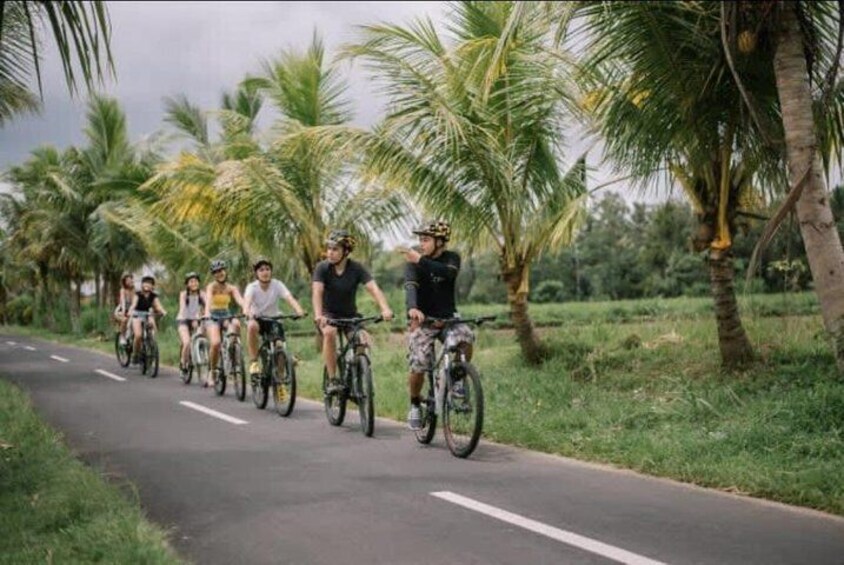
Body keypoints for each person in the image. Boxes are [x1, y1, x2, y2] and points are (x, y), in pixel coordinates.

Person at [399, 220, 473, 430]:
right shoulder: (413, 261)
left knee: (466, 337)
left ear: (440, 242)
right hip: (424, 321)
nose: (421, 244)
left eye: (426, 239)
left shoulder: (452, 258)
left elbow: (448, 274)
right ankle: (414, 404)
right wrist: (413, 308)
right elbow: (411, 285)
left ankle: (457, 379)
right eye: (420, 240)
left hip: (448, 318)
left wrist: (420, 260)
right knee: (419, 363)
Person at [312, 229, 393, 392]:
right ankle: (333, 379)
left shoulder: (356, 268)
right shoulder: (322, 268)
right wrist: (318, 315)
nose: (330, 252)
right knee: (330, 333)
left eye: (335, 249)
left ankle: (356, 371)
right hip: (328, 315)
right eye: (329, 248)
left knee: (363, 341)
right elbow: (317, 292)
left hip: (350, 316)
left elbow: (374, 289)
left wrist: (385, 309)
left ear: (346, 251)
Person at [244, 257, 306, 378]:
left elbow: (290, 298)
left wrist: (299, 310)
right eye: (261, 270)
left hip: (274, 320)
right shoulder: (252, 287)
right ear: (256, 273)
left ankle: (280, 380)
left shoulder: (277, 284)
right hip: (258, 319)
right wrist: (247, 312)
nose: (265, 272)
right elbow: (247, 302)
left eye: (267, 269)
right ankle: (254, 362)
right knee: (251, 326)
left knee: (279, 347)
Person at [203, 259, 247, 387]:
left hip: (226, 315)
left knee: (237, 324)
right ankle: (212, 371)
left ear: (225, 271)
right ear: (213, 274)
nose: (219, 273)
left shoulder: (231, 288)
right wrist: (206, 313)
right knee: (216, 343)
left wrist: (247, 309)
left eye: (221, 270)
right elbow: (209, 300)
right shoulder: (211, 287)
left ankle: (234, 356)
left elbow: (240, 300)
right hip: (213, 317)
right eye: (216, 272)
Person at [126, 275, 167, 365]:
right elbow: (134, 304)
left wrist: (163, 311)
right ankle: (135, 354)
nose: (147, 285)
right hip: (137, 314)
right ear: (142, 284)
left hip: (147, 314)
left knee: (153, 326)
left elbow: (158, 305)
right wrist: (130, 311)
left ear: (152, 286)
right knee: (138, 336)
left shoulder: (153, 296)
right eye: (145, 282)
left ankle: (151, 343)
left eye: (150, 283)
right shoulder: (138, 294)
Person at [176, 272, 206, 378]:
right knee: (187, 342)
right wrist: (190, 316)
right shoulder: (184, 294)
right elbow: (183, 307)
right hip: (183, 320)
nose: (194, 283)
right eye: (191, 281)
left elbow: (207, 306)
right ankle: (183, 364)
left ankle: (200, 351)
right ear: (187, 284)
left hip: (196, 320)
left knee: (203, 333)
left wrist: (203, 315)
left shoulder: (202, 294)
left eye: (196, 281)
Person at [114, 273, 135, 344]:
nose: (130, 281)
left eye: (130, 279)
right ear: (124, 282)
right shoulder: (123, 290)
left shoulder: (134, 290)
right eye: (127, 280)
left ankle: (131, 336)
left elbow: (135, 302)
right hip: (121, 310)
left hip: (131, 310)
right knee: (124, 320)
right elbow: (123, 301)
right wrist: (123, 311)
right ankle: (122, 337)